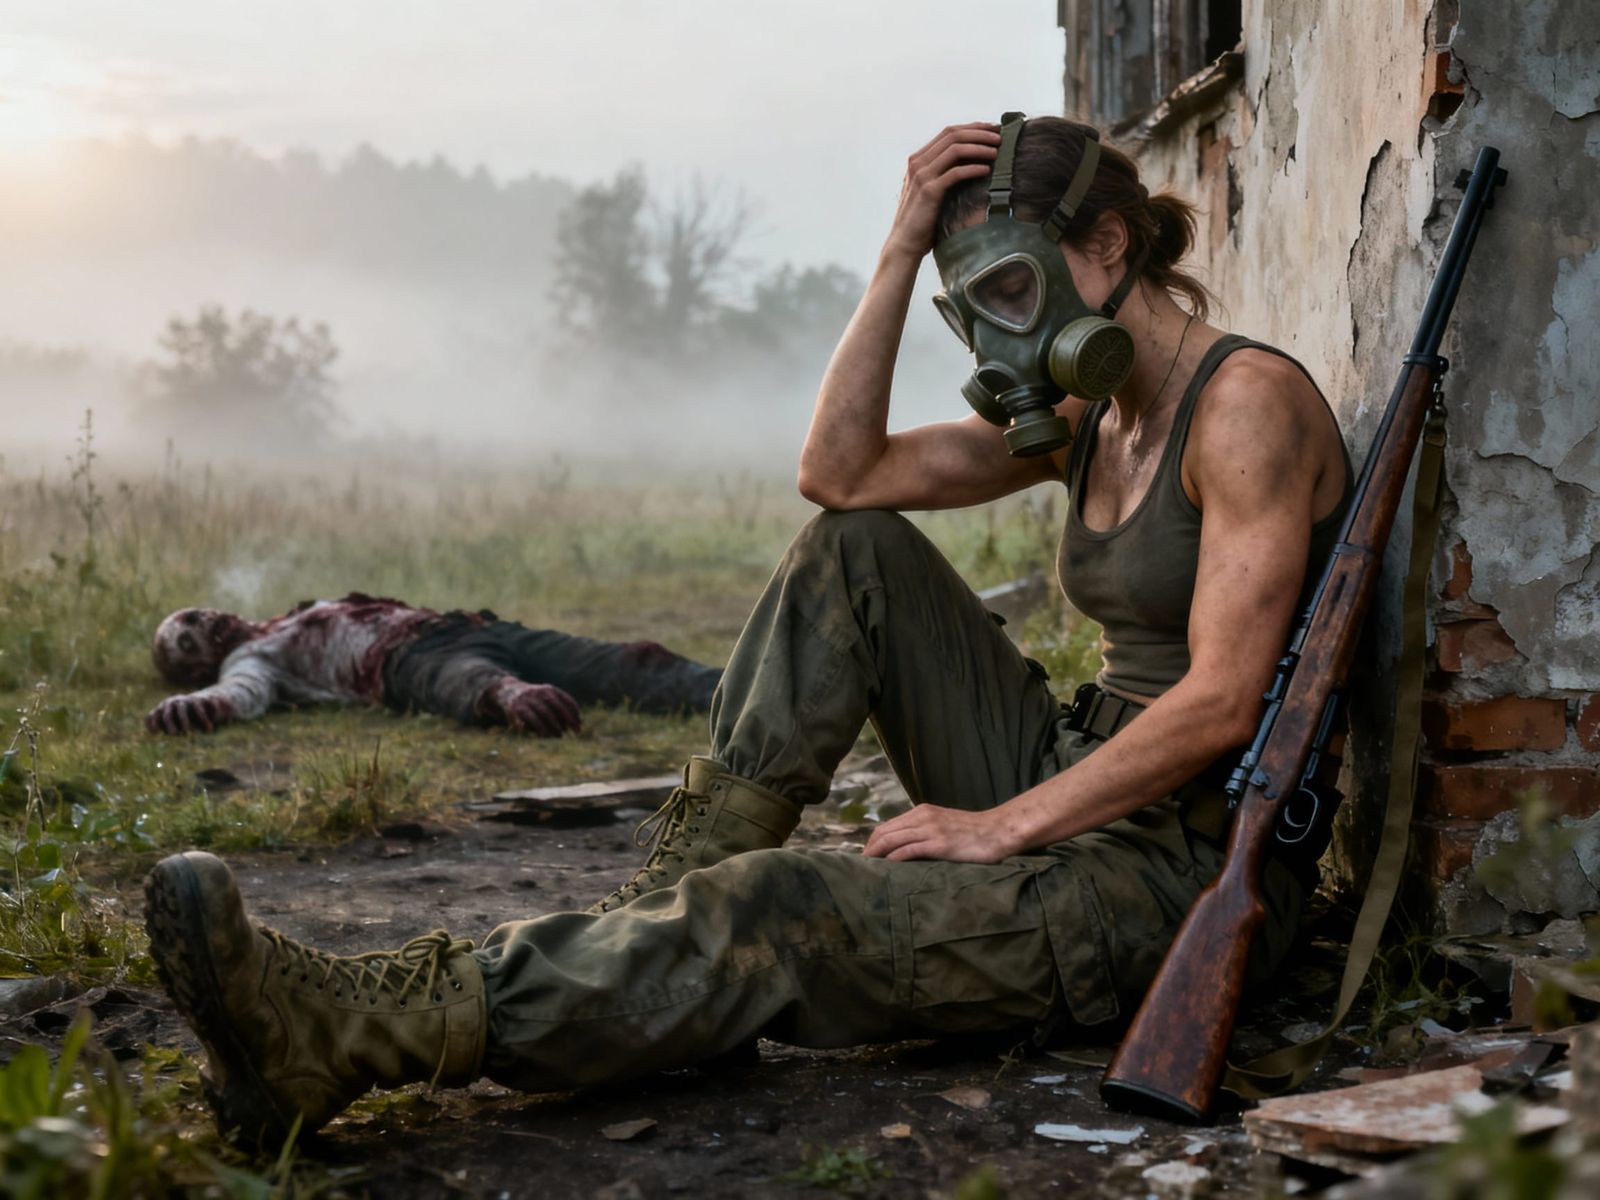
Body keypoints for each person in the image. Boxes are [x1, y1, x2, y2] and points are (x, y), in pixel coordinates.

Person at [145, 115, 1353, 1148]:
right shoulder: (1092, 412)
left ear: (1105, 246)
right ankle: (656, 924)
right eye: (971, 308)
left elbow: (1222, 701)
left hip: (1180, 867)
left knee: (780, 910)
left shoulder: (1241, 407)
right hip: (1082, 772)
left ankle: (344, 1038)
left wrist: (999, 828)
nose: (996, 336)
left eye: (1012, 292)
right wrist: (894, 252)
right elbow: (839, 476)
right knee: (856, 554)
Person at [145, 592, 720, 737]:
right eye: (189, 638)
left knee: (632, 662)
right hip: (409, 660)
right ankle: (513, 695)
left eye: (193, 615)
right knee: (472, 684)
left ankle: (748, 690)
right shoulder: (254, 659)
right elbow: (242, 692)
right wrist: (197, 706)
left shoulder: (284, 619)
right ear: (200, 669)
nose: (204, 623)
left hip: (471, 627)